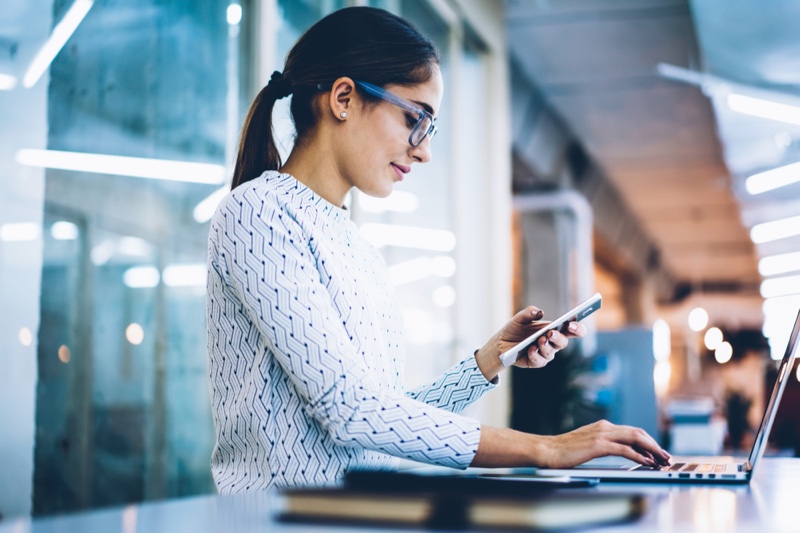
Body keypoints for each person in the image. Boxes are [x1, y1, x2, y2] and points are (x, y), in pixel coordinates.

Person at [206, 6, 670, 494]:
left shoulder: (355, 244)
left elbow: (382, 423)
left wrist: (488, 360)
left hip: (355, 518)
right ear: (343, 98)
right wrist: (546, 448)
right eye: (415, 118)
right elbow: (350, 412)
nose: (424, 149)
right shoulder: (257, 212)